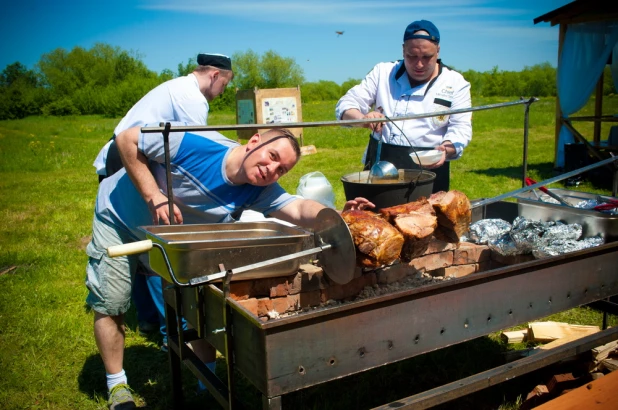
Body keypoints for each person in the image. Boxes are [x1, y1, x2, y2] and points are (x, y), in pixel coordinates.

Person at [85, 124, 372, 409]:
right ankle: (117, 385)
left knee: (197, 305)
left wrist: (335, 216)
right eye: (272, 156)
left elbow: (297, 209)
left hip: (177, 237)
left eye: (281, 169)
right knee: (112, 301)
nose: (272, 170)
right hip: (120, 219)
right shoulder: (195, 146)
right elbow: (126, 140)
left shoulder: (259, 189)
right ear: (255, 140)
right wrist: (154, 195)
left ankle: (205, 385)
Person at [92, 53, 234, 349]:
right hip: (130, 162)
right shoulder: (191, 97)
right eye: (226, 83)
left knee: (138, 243)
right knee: (158, 244)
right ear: (215, 75)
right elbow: (201, 147)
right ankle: (172, 329)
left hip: (123, 160)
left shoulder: (176, 87)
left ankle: (147, 319)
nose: (224, 91)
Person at [335, 20, 472, 192]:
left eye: (426, 57)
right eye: (412, 56)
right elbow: (346, 105)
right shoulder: (383, 73)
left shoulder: (455, 82)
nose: (419, 65)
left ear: (438, 50)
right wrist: (362, 118)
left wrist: (446, 150)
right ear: (403, 50)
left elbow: (461, 127)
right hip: (380, 167)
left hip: (430, 170)